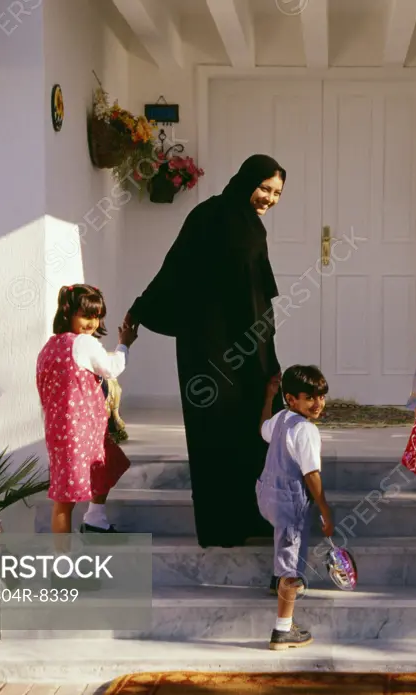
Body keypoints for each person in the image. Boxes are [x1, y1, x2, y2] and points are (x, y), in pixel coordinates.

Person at [124, 154, 286, 548]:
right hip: (209, 350)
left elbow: (260, 296)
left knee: (253, 430)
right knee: (215, 432)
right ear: (246, 180)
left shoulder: (255, 229)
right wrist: (142, 307)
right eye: (265, 188)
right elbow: (175, 267)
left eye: (277, 193)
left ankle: (254, 517)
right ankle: (219, 526)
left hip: (251, 348)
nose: (269, 198)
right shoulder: (208, 216)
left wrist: (267, 351)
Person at [37, 284, 138, 538]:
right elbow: (112, 368)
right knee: (65, 500)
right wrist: (124, 344)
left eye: (96, 317)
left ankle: (96, 518)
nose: (92, 323)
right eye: (86, 315)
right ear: (67, 314)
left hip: (62, 431)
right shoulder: (84, 343)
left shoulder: (48, 348)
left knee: (105, 466)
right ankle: (63, 562)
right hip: (80, 431)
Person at [256, 365, 334, 650]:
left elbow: (262, 429)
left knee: (284, 546)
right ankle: (283, 629)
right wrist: (325, 509)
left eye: (322, 397)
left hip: (267, 496)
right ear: (292, 399)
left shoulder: (280, 419)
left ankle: (277, 579)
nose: (318, 404)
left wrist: (268, 397)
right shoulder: (306, 430)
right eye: (310, 398)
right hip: (289, 503)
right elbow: (311, 474)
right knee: (292, 566)